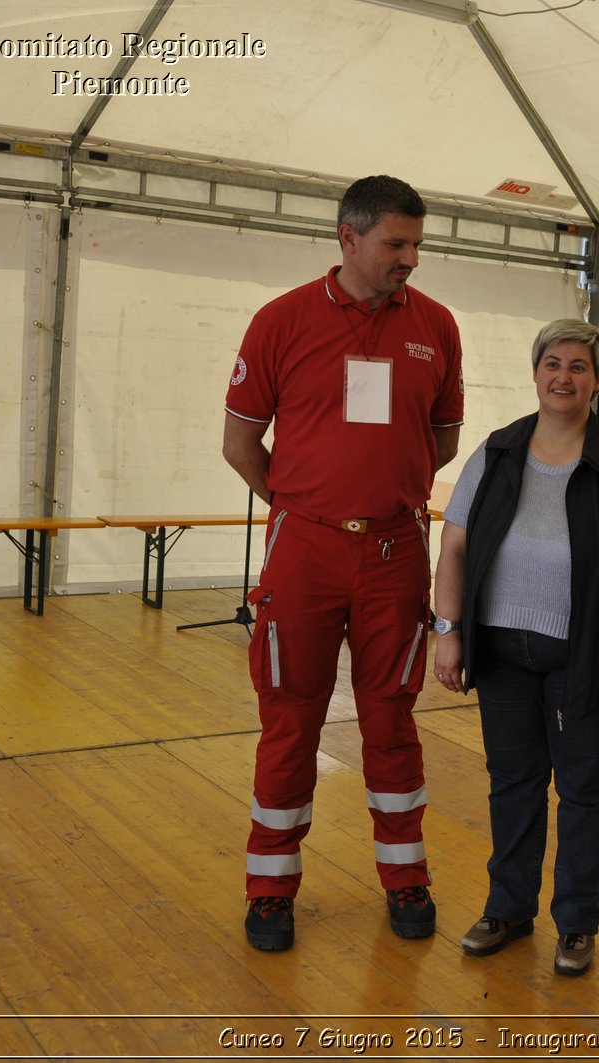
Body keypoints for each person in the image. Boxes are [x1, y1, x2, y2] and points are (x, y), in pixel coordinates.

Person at [222, 174, 464, 952]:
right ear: (347, 238)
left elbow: (444, 440)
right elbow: (239, 444)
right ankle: (269, 889)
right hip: (306, 551)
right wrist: (306, 506)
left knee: (392, 717)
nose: (411, 259)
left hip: (396, 551)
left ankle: (405, 877)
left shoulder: (437, 326)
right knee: (289, 718)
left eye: (418, 244)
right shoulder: (280, 321)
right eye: (397, 243)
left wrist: (375, 498)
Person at [431, 319, 599, 977]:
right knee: (513, 785)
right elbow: (453, 545)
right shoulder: (498, 451)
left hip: (586, 658)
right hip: (504, 652)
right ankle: (507, 909)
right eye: (553, 363)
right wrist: (446, 633)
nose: (564, 376)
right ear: (536, 372)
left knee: (587, 790)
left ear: (598, 378)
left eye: (579, 366)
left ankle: (576, 924)